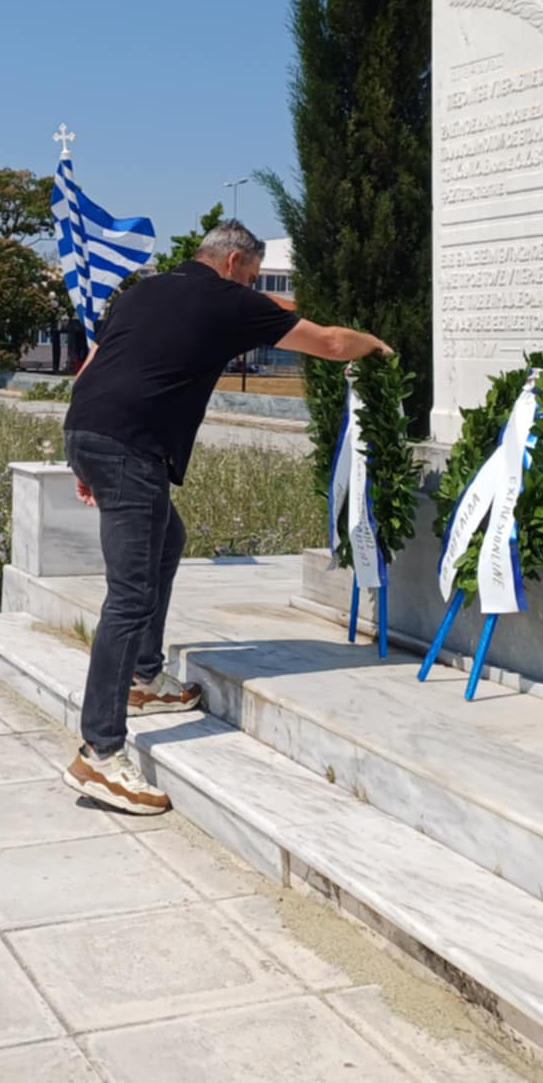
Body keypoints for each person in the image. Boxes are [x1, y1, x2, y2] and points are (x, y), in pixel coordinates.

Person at [60, 220, 391, 815]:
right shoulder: (229, 300)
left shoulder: (143, 290)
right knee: (129, 596)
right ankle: (100, 753)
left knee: (168, 539)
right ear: (236, 261)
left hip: (89, 427)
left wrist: (87, 454)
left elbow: (91, 366)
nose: (252, 282)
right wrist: (382, 346)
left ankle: (143, 676)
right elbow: (332, 343)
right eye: (252, 272)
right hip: (132, 445)